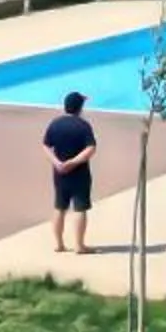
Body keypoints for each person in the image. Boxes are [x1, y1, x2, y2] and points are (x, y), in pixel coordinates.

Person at [43, 91, 96, 254]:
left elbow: (45, 145)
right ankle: (79, 245)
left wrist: (57, 163)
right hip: (79, 173)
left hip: (59, 174)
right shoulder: (83, 126)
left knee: (60, 207)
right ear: (79, 108)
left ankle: (59, 244)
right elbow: (91, 148)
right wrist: (73, 162)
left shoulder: (55, 124)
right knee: (80, 209)